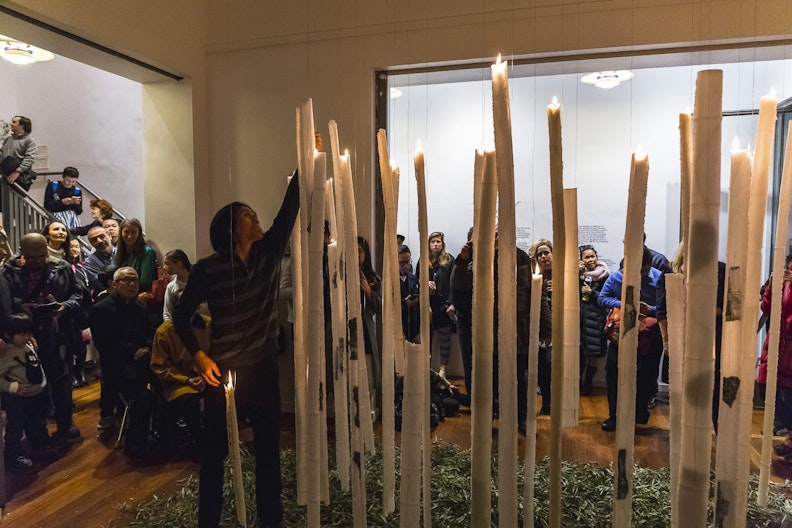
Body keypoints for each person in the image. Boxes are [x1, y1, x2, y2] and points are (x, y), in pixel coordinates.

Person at [172, 170, 299, 528]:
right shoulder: (207, 270)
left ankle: (269, 521)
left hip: (263, 369)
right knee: (214, 453)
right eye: (246, 215)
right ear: (230, 228)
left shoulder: (269, 253)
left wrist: (305, 160)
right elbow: (181, 314)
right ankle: (208, 521)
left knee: (268, 451)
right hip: (222, 373)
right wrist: (199, 355)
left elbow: (289, 209)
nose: (255, 217)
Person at [1, 233, 83, 443]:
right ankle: (38, 433)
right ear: (22, 254)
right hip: (24, 336)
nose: (38, 261)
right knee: (31, 380)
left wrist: (65, 306)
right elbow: (6, 304)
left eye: (42, 256)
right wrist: (21, 307)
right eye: (32, 257)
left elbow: (78, 294)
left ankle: (65, 423)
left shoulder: (62, 267)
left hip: (57, 331)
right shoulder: (9, 271)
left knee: (62, 379)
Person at [598, 246, 666, 431]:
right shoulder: (616, 277)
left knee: (645, 376)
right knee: (613, 373)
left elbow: (665, 306)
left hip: (650, 337)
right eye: (636, 271)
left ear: (649, 265)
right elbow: (602, 298)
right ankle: (614, 416)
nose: (641, 275)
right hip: (620, 334)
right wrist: (625, 304)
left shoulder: (659, 277)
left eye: (644, 271)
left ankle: (639, 415)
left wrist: (649, 309)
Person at [89, 267, 156, 456]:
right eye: (126, 280)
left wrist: (147, 347)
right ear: (114, 284)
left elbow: (150, 330)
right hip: (117, 368)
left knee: (169, 384)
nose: (132, 284)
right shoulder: (100, 309)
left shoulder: (141, 306)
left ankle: (162, 432)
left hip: (142, 361)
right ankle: (135, 443)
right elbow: (105, 344)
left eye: (134, 280)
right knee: (143, 397)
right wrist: (135, 350)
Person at [150, 313, 208, 458]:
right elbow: (160, 366)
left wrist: (204, 376)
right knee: (189, 401)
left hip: (206, 376)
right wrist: (186, 380)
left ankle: (220, 439)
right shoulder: (164, 332)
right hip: (178, 382)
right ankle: (200, 444)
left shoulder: (208, 324)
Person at [0, 313, 51, 472]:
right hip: (18, 398)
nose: (27, 337)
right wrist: (13, 387)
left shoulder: (28, 345)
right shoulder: (7, 353)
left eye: (29, 333)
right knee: (15, 428)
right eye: (22, 334)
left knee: (36, 422)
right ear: (10, 334)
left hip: (35, 395)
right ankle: (13, 457)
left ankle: (38, 446)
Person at [758, 255, 792, 454]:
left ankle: (790, 439)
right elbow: (767, 308)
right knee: (766, 389)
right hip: (776, 344)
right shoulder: (783, 283)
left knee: (788, 395)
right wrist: (772, 286)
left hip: (788, 346)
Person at [417, 231, 454, 379]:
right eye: (433, 242)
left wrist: (452, 303)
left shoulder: (450, 260)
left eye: (438, 241)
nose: (435, 244)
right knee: (427, 337)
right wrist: (424, 283)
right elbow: (416, 279)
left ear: (442, 243)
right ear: (429, 244)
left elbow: (453, 283)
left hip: (443, 305)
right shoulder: (423, 260)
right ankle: (426, 367)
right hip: (428, 305)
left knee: (445, 337)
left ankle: (443, 368)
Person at [578, 245, 610, 395]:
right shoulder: (577, 274)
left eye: (593, 256)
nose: (591, 260)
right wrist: (576, 276)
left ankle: (588, 383)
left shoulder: (605, 275)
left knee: (593, 353)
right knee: (578, 352)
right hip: (578, 319)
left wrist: (592, 293)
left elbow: (608, 299)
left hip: (595, 319)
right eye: (587, 257)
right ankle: (576, 381)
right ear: (581, 260)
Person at [446, 228, 474, 396]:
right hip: (466, 316)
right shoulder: (462, 262)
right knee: (469, 360)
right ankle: (472, 396)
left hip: (490, 319)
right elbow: (455, 284)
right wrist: (463, 260)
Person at [529, 238, 554, 415]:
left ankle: (552, 402)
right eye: (540, 254)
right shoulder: (533, 276)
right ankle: (545, 403)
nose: (544, 257)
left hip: (559, 326)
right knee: (542, 366)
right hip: (538, 327)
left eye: (547, 252)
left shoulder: (564, 274)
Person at [358, 236, 382, 397]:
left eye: (360, 251)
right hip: (344, 328)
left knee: (367, 369)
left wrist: (367, 291)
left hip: (365, 328)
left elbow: (380, 307)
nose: (357, 254)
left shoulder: (373, 278)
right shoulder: (338, 272)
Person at [115, 217, 157, 293]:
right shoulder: (118, 251)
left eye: (134, 232)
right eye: (126, 232)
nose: (129, 236)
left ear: (139, 233)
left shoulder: (147, 251)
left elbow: (145, 282)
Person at [0, 115, 37, 190]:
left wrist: (17, 172)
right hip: (4, 174)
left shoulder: (30, 141)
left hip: (18, 177)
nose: (11, 124)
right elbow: (2, 153)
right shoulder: (8, 139)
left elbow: (29, 159)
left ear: (22, 125)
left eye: (14, 122)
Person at [398, 244, 420, 343]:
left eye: (408, 261)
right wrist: (404, 302)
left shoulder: (413, 277)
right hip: (398, 328)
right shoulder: (389, 280)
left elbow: (416, 294)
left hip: (414, 327)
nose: (406, 265)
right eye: (402, 262)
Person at [161, 249, 192, 321]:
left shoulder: (197, 282)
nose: (164, 267)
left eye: (167, 264)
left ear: (179, 263)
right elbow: (167, 312)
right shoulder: (171, 287)